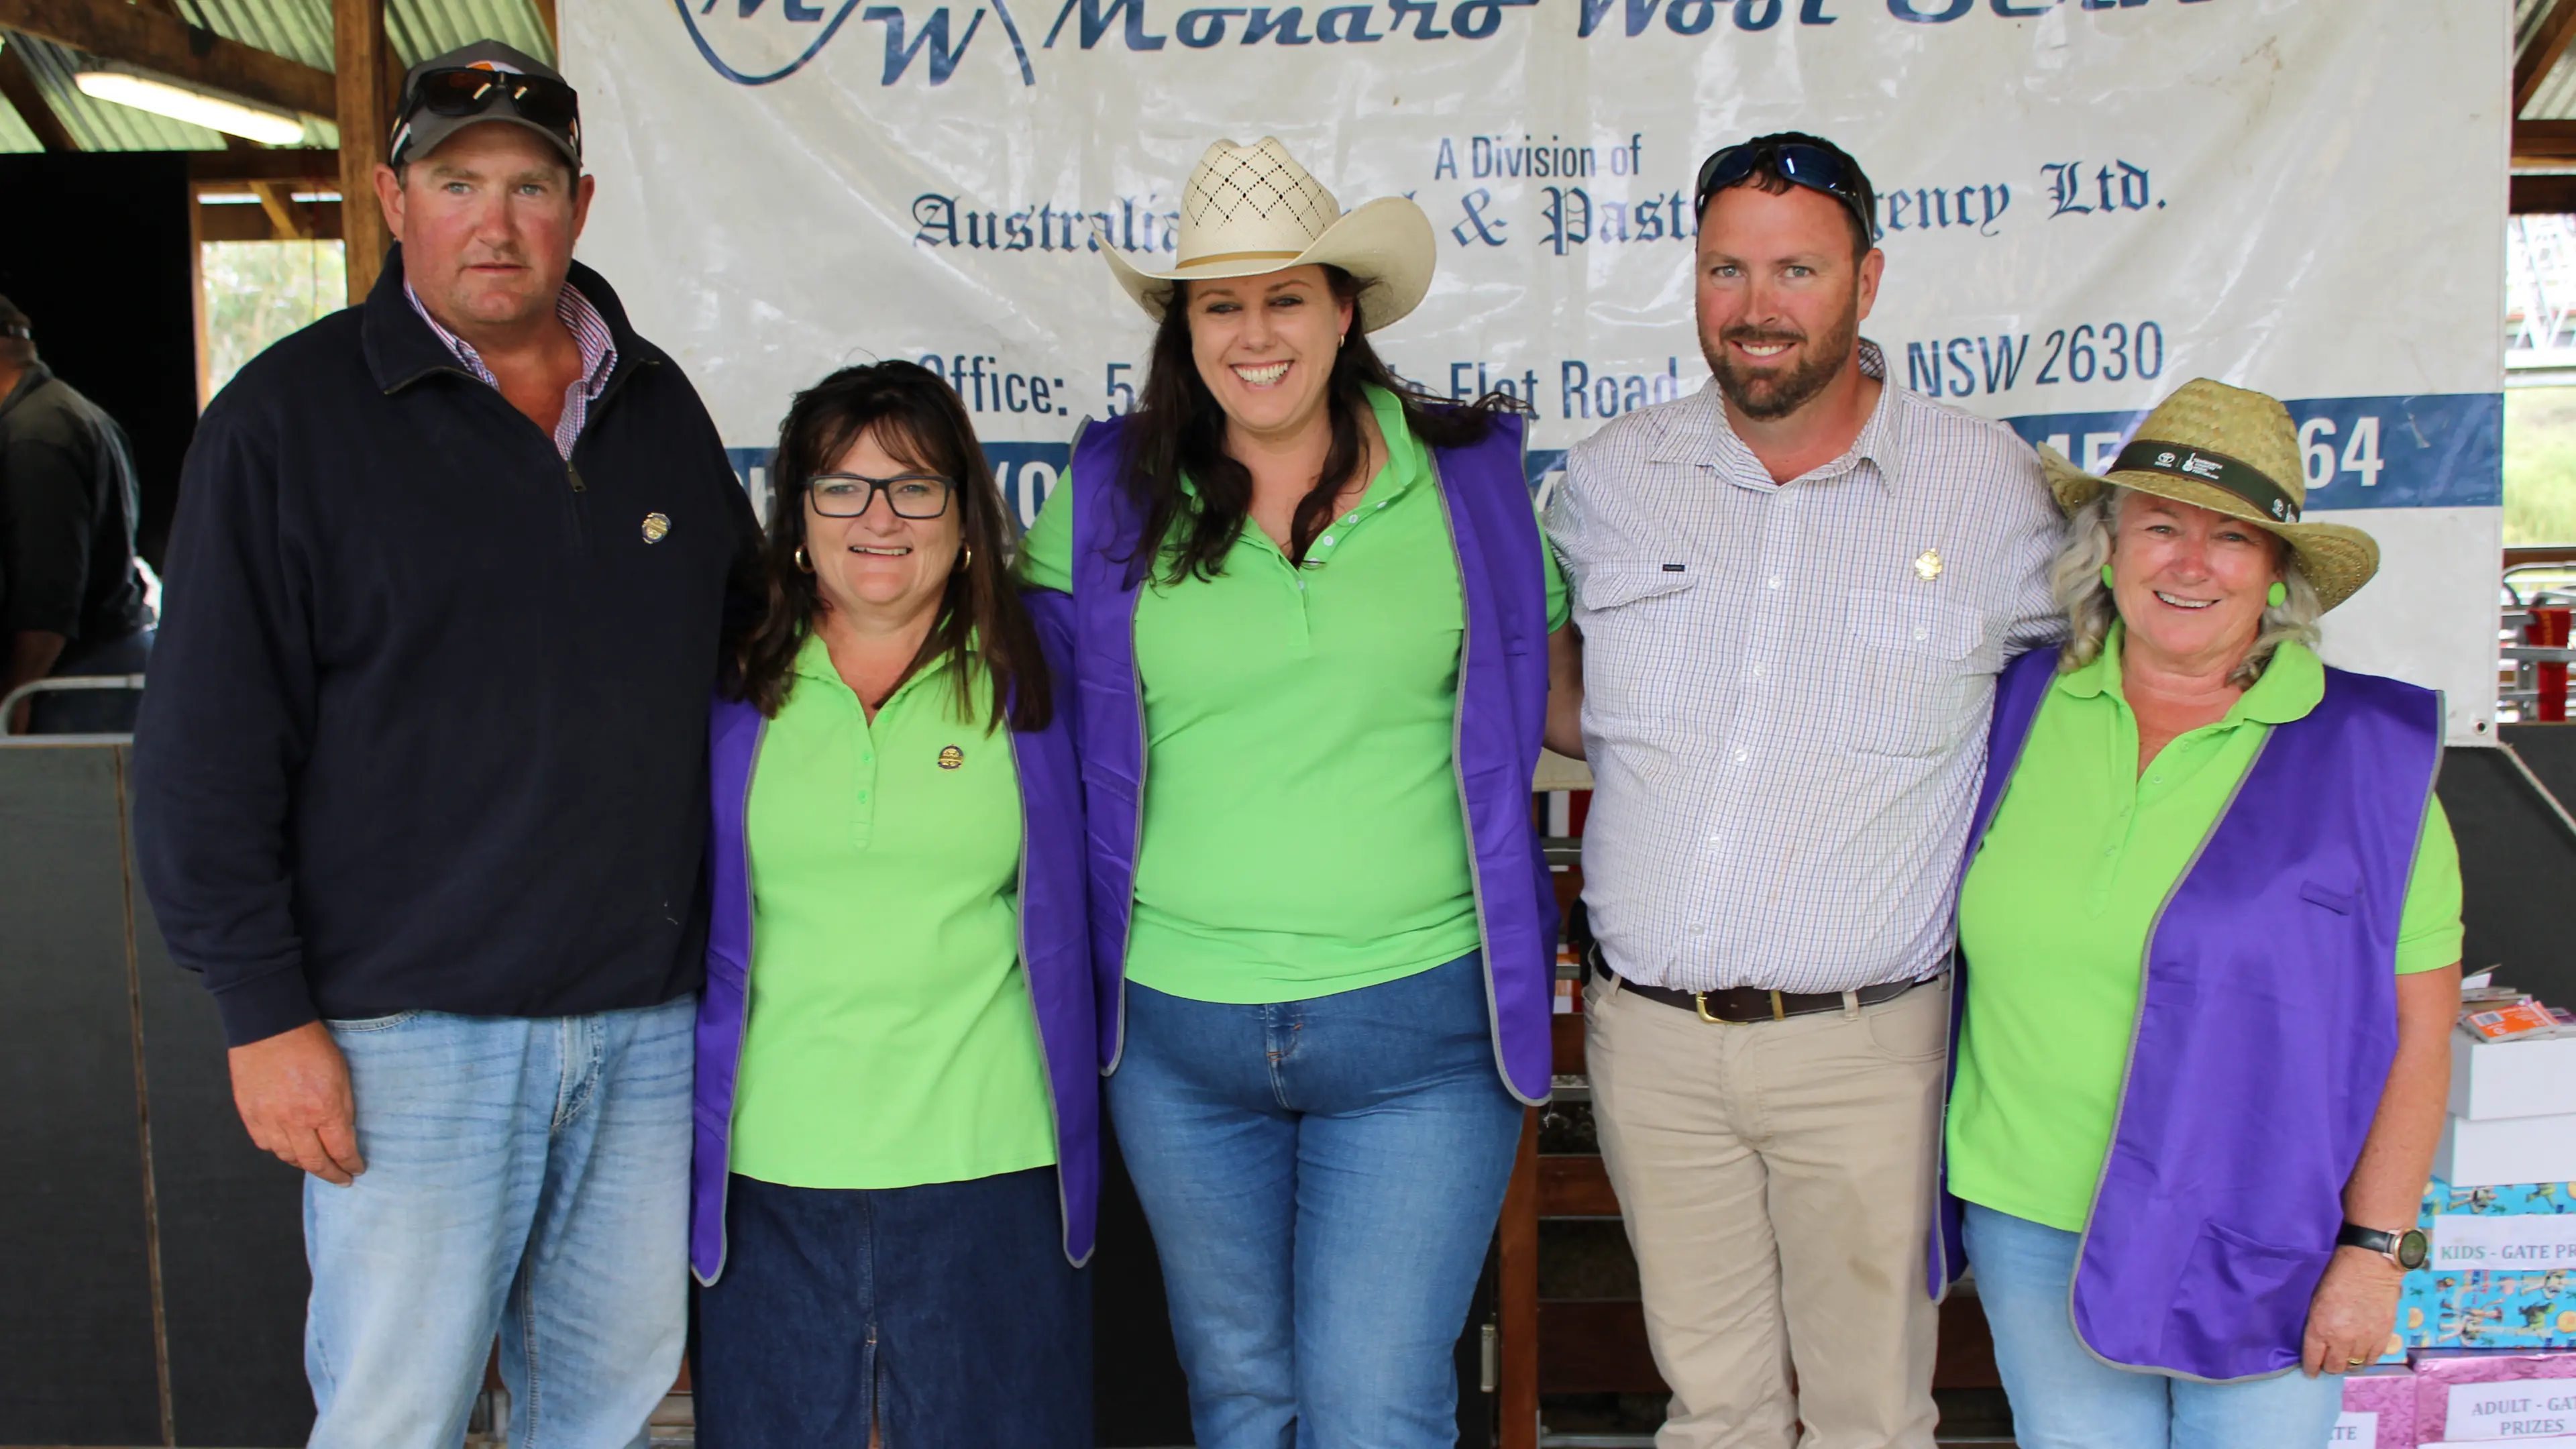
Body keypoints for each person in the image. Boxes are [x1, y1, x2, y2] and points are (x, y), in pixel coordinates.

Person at [130, 42, 758, 1448]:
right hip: (408, 1037)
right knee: (395, 1410)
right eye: (457, 179)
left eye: (530, 184)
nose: (497, 219)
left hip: (643, 1024)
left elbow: (751, 655)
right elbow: (203, 757)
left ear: (581, 206)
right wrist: (264, 1015)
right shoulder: (284, 427)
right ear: (390, 196)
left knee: (602, 1408)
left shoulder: (659, 413)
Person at [1015, 137, 1571, 1448]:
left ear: (1344, 311)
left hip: (1424, 1033)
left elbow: (1577, 709)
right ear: (1183, 327)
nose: (1253, 333)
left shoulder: (1473, 483)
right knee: (1242, 1397)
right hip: (1176, 1043)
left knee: (1375, 1404)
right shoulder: (1107, 492)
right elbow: (1004, 719)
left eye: (1284, 297)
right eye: (1220, 302)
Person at [1542, 131, 2063, 1449]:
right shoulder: (1610, 481)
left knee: (1868, 1421)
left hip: (1869, 1048)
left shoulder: (1990, 492)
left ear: (1868, 280)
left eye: (1797, 270)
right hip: (1652, 1045)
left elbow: (2097, 703)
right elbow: (1543, 686)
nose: (1758, 307)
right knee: (1711, 1411)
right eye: (1728, 269)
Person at [1939, 380, 2460, 1449]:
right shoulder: (2019, 708)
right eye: (2161, 527)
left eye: (2232, 539)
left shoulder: (2370, 761)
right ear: (2109, 547)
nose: (2189, 563)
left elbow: (2415, 1036)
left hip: (2260, 1232)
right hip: (2031, 1217)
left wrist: (2375, 1249)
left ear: (2276, 575)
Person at [690, 361, 1095, 1447]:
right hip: (770, 1173)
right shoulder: (727, 679)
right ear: (797, 514)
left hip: (994, 1165)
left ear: (966, 513)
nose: (878, 518)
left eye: (915, 487)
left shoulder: (1037, 670)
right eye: (842, 487)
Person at [0, 292, 152, 734]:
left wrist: (16, 695)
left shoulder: (33, 438)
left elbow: (48, 593)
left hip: (75, 685)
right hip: (110, 663)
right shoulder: (74, 411)